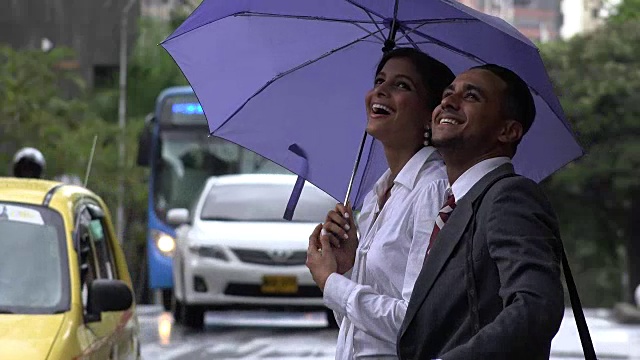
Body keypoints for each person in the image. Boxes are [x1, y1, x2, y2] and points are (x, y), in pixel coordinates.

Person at [397, 65, 565, 359]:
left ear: (508, 130)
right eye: (447, 94)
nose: (447, 102)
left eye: (471, 96)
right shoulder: (454, 205)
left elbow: (536, 305)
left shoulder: (509, 196)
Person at [305, 47, 455, 359]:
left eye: (402, 85)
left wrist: (330, 282)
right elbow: (355, 326)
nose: (380, 91)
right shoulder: (377, 195)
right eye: (380, 80)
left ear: (432, 113)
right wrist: (346, 269)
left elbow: (415, 324)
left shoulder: (432, 190)